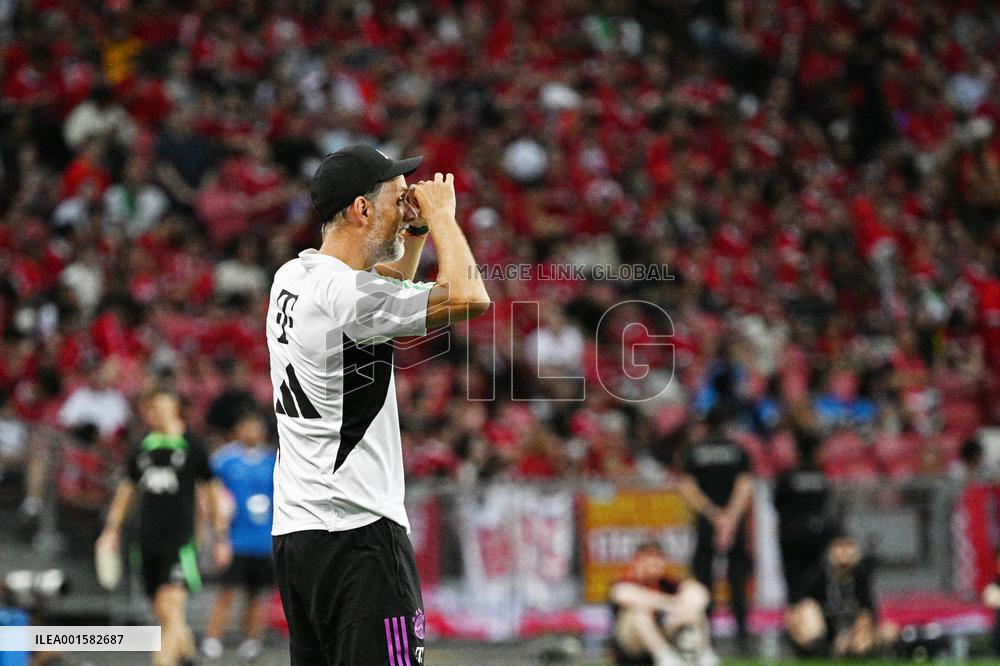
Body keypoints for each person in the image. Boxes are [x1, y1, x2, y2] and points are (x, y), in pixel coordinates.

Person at [267, 145, 489, 665]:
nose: (408, 205)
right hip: (359, 536)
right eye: (397, 198)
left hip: (299, 535)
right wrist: (442, 217)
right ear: (361, 209)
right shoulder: (346, 295)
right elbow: (469, 297)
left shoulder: (293, 277)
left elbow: (383, 293)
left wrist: (413, 232)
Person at [97, 388, 232, 666]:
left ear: (174, 407)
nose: (152, 413)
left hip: (180, 541)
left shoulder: (193, 445)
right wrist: (111, 530)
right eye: (149, 409)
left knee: (171, 609)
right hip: (147, 541)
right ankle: (188, 655)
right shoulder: (142, 446)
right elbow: (126, 491)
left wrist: (220, 536)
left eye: (158, 407)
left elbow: (211, 493)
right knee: (163, 611)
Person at [201, 411, 277, 662]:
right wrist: (218, 526)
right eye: (247, 427)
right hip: (235, 540)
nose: (252, 432)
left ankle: (252, 641)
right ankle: (212, 639)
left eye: (256, 427)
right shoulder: (225, 460)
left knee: (258, 594)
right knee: (227, 592)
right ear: (237, 430)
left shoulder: (272, 461)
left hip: (263, 540)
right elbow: (208, 491)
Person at [678, 407, 754, 648]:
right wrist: (730, 517)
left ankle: (705, 630)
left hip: (707, 521)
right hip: (733, 523)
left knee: (703, 576)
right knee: (737, 576)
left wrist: (713, 515)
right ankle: (742, 633)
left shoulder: (695, 450)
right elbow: (744, 485)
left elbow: (687, 487)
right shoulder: (737, 450)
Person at [785, 532, 894, 658]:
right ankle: (820, 650)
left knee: (889, 631)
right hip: (824, 633)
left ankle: (854, 653)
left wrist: (851, 636)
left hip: (851, 634)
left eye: (849, 546)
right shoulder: (817, 576)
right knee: (807, 609)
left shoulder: (860, 577)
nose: (844, 551)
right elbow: (798, 609)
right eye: (839, 546)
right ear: (830, 551)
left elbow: (868, 613)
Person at [609, 542, 718, 666]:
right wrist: (670, 604)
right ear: (637, 561)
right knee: (639, 613)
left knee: (694, 612)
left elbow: (699, 594)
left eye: (658, 559)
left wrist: (682, 606)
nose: (655, 564)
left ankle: (701, 654)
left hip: (665, 631)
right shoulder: (626, 580)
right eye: (649, 559)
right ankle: (666, 658)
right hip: (632, 646)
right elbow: (622, 594)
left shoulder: (668, 583)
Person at [773, 431, 835, 604]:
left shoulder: (787, 477)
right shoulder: (821, 477)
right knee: (816, 579)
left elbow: (777, 504)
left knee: (793, 582)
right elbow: (825, 505)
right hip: (817, 534)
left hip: (791, 534)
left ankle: (796, 613)